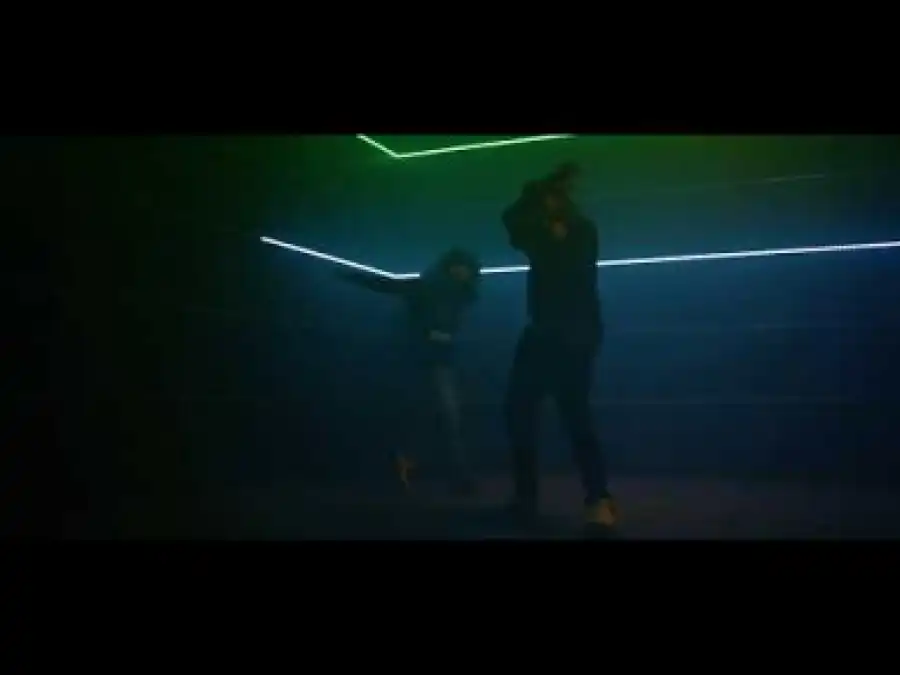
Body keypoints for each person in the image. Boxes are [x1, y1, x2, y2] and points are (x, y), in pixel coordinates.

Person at [502, 162, 618, 533]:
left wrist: (547, 205)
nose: (547, 204)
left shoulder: (582, 230)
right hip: (542, 334)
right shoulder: (538, 232)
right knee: (519, 413)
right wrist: (541, 186)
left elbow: (570, 266)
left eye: (553, 198)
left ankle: (598, 500)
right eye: (545, 199)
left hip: (574, 335)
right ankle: (527, 499)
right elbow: (510, 217)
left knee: (575, 417)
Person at [338, 248, 482, 495]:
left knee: (443, 418)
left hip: (435, 360)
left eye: (466, 269)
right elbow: (387, 286)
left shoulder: (459, 293)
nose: (464, 272)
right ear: (451, 268)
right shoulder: (434, 288)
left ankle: (448, 476)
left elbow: (389, 287)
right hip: (422, 358)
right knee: (429, 418)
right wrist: (353, 277)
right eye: (461, 267)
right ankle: (427, 475)